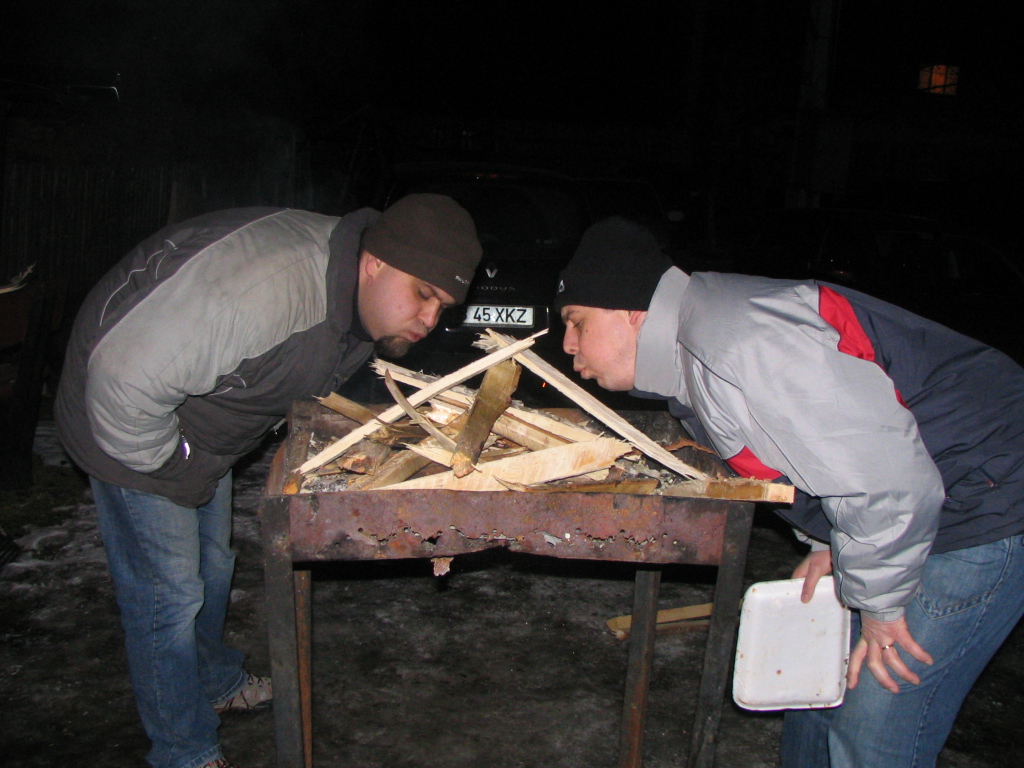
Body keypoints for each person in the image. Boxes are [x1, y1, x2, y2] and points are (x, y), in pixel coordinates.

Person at [553, 216, 1024, 768]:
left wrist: (878, 605)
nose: (568, 343)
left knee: (873, 728)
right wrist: (829, 543)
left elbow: (887, 477)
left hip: (982, 496)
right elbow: (808, 457)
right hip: (919, 501)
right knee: (816, 695)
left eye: (577, 321)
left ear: (632, 311)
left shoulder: (741, 339)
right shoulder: (694, 358)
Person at [54, 195, 482, 768]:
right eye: (423, 293)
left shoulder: (357, 296)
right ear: (375, 262)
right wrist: (171, 464)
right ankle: (183, 750)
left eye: (444, 306)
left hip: (198, 426)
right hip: (128, 418)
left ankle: (214, 682)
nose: (430, 320)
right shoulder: (265, 292)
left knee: (213, 565)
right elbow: (121, 379)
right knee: (168, 595)